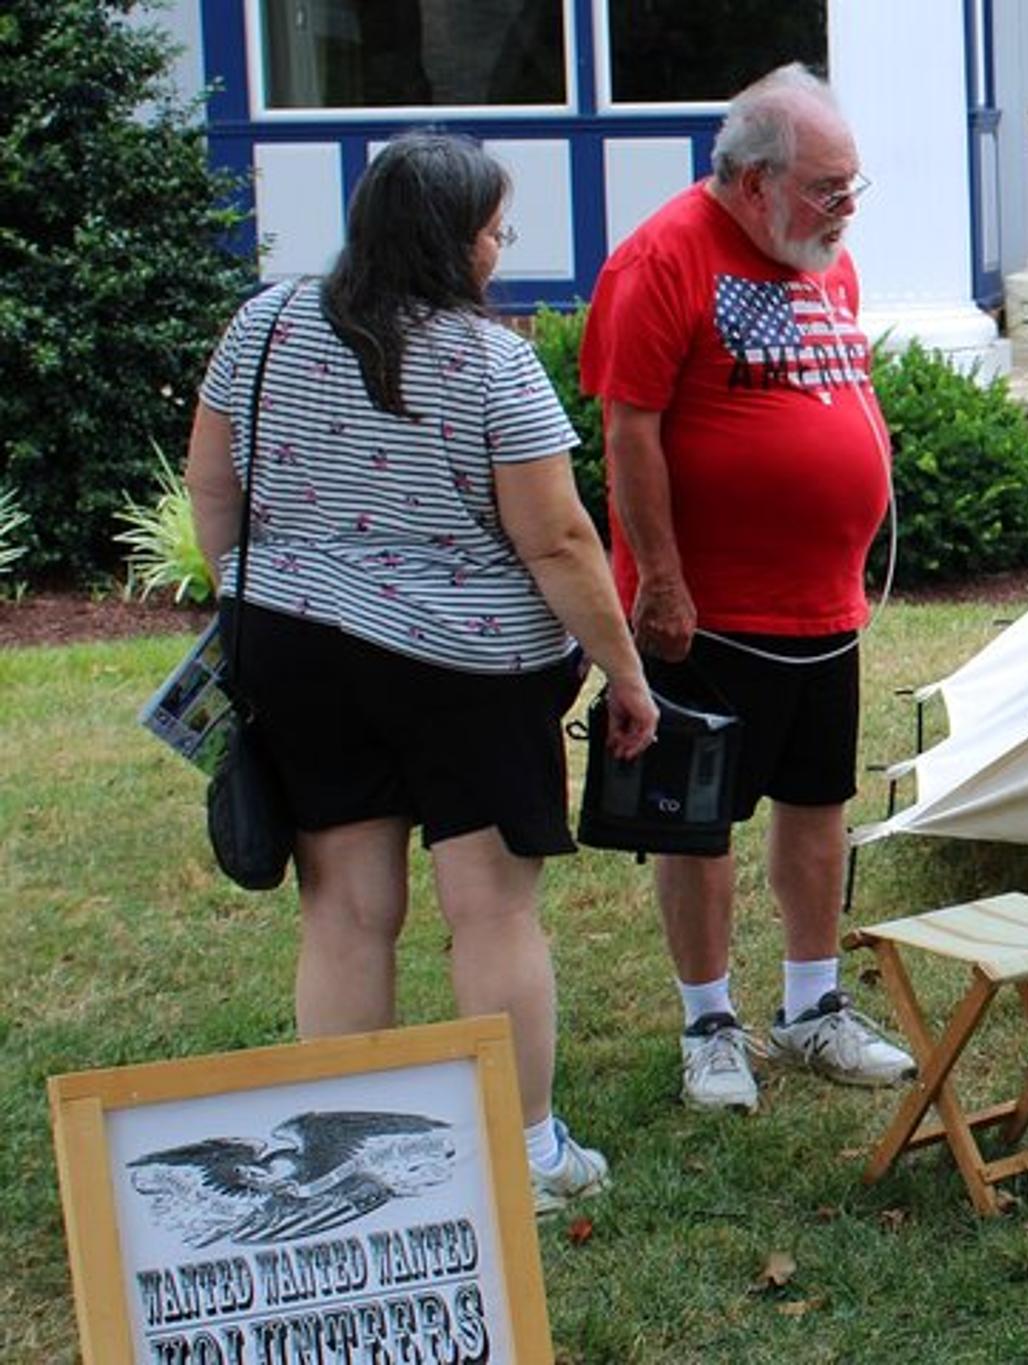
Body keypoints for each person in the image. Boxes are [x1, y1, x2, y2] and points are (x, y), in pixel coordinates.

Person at [184, 131, 661, 1213]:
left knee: (345, 911)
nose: (501, 248)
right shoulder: (491, 363)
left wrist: (251, 592)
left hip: (294, 647)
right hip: (471, 671)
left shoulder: (263, 324)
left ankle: (339, 1153)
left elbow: (213, 483)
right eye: (495, 230)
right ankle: (525, 1154)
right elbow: (559, 543)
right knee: (489, 911)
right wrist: (625, 674)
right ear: (452, 241)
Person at [580, 64, 914, 1116]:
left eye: (852, 185)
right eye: (826, 188)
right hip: (710, 612)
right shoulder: (662, 257)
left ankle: (812, 1006)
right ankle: (709, 1021)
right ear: (754, 179)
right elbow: (629, 433)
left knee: (818, 803)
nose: (844, 208)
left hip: (822, 604)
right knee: (699, 819)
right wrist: (661, 581)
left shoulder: (820, 258)